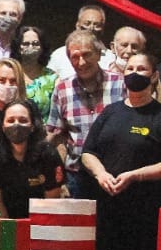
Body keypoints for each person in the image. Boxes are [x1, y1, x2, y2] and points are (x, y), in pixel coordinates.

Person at [82, 53, 161, 250]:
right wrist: (100, 174)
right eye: (130, 68)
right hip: (109, 209)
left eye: (142, 69)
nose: (134, 73)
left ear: (154, 76)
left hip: (147, 212)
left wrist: (134, 175)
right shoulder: (110, 112)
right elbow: (87, 152)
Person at [45, 29, 125, 199]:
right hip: (77, 177)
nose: (81, 62)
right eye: (75, 57)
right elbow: (55, 136)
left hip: (116, 176)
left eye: (87, 54)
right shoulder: (62, 90)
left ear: (99, 54)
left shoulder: (121, 84)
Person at [0, 99, 64, 218]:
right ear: (3, 127)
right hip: (5, 219)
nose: (16, 125)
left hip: (40, 219)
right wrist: (10, 227)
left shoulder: (48, 154)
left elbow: (51, 201)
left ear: (32, 126)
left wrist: (34, 226)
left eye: (23, 120)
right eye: (10, 120)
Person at [47, 5, 115, 80]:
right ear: (77, 25)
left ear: (103, 29)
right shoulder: (59, 55)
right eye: (87, 23)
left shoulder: (111, 58)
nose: (91, 28)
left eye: (97, 25)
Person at [16, 25, 58, 121]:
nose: (31, 47)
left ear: (42, 47)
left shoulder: (52, 78)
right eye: (26, 44)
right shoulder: (10, 74)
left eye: (35, 44)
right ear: (17, 47)